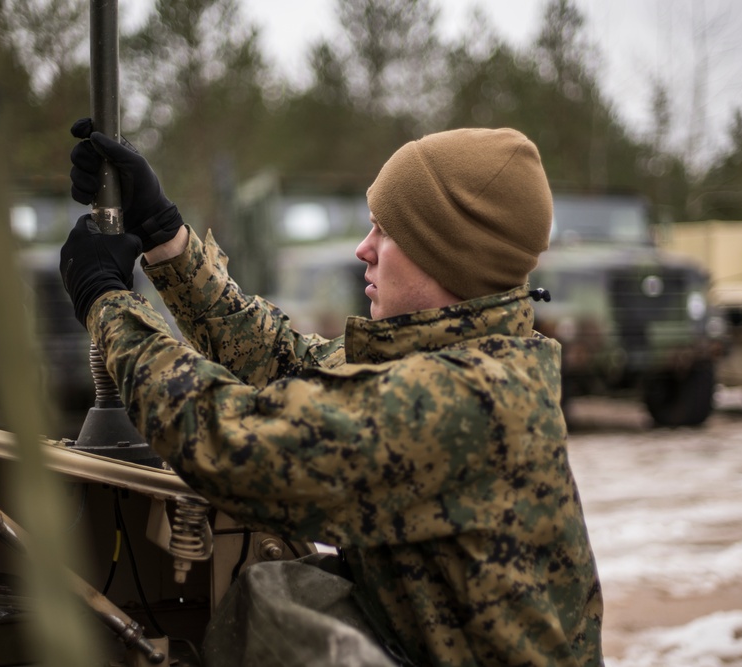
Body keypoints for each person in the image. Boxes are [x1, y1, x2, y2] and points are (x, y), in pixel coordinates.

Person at [61, 120, 604, 667]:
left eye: (387, 233)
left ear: (450, 256)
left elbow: (232, 444)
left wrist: (108, 304)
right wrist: (164, 234)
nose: (363, 249)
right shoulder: (451, 357)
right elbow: (285, 363)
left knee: (280, 598)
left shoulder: (467, 398)